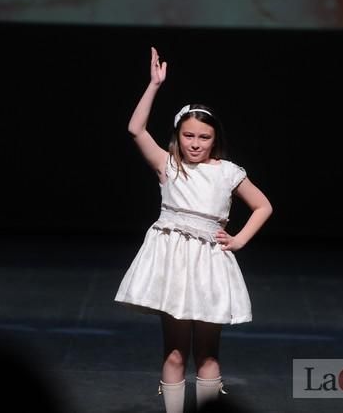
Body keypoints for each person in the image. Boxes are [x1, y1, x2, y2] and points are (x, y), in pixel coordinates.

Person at [114, 47, 273, 413]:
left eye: (203, 137)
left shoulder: (227, 172)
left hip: (208, 263)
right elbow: (135, 129)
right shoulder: (167, 165)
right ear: (178, 135)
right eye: (189, 136)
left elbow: (263, 205)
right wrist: (154, 85)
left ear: (214, 139)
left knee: (207, 354)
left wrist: (238, 239)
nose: (195, 143)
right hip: (173, 263)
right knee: (173, 352)